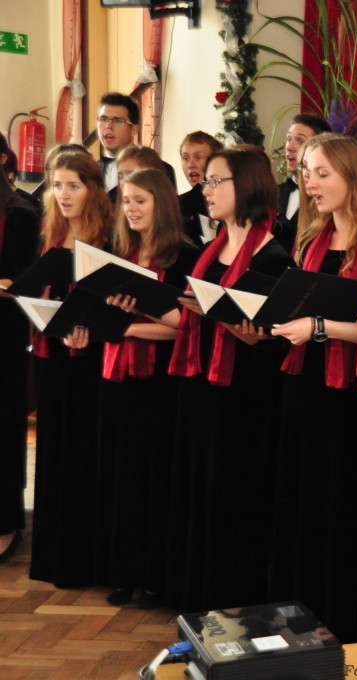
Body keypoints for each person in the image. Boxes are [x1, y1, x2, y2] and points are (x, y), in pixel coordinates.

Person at [267, 134, 357, 641]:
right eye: (306, 173)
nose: (311, 183)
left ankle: (340, 612)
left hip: (354, 390)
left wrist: (321, 327)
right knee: (307, 493)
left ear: (351, 175)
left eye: (323, 173)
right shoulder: (311, 239)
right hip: (307, 382)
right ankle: (304, 606)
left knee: (344, 498)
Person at [163, 145, 294, 611]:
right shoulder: (210, 249)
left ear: (249, 185)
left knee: (234, 493)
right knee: (199, 486)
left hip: (244, 395)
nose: (207, 188)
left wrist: (252, 334)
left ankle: (231, 598)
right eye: (206, 180)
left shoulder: (274, 257)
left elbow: (279, 337)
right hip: (200, 384)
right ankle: (194, 593)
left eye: (217, 180)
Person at [94, 168, 199, 608]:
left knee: (155, 479)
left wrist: (131, 326)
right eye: (126, 201)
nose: (131, 209)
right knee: (121, 477)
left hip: (160, 383)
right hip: (117, 379)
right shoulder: (120, 252)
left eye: (140, 200)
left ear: (162, 203)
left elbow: (187, 329)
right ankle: (123, 572)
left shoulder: (185, 256)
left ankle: (155, 577)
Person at [29, 151, 114, 588]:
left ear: (93, 190)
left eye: (73, 186)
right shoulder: (51, 236)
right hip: (53, 358)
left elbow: (112, 309)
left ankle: (82, 562)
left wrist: (85, 329)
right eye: (57, 185)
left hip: (91, 363)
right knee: (55, 453)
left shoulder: (107, 243)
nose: (63, 194)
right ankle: (51, 557)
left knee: (83, 455)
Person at [0, 162, 41, 564]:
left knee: (3, 428)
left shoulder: (19, 212)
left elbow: (27, 279)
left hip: (4, 337)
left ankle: (6, 522)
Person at [96, 93, 176, 193]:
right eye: (103, 119)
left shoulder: (159, 169)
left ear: (134, 129)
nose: (108, 126)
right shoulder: (90, 171)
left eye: (118, 121)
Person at [278, 114, 332, 254]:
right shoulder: (273, 193)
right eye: (289, 139)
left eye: (300, 141)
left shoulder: (328, 200)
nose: (289, 147)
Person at [178, 130, 223, 245]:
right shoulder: (178, 205)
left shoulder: (227, 201)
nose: (190, 165)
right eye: (185, 158)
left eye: (198, 157)